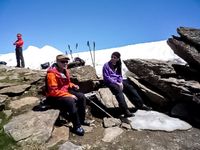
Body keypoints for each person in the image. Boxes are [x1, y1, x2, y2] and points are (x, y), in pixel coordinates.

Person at [45, 54, 90, 136]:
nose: (65, 63)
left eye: (66, 61)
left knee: (81, 96)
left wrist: (73, 85)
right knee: (70, 101)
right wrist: (68, 95)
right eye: (63, 62)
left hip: (63, 92)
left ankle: (82, 119)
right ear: (57, 62)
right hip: (53, 97)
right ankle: (77, 126)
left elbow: (67, 83)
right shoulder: (51, 74)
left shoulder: (64, 71)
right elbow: (53, 91)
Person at [102, 52, 151, 117]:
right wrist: (117, 83)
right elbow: (106, 77)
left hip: (118, 81)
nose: (112, 58)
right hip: (109, 82)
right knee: (118, 92)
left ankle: (140, 105)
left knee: (130, 88)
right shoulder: (106, 65)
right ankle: (125, 111)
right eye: (112, 57)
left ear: (118, 59)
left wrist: (120, 82)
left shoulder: (118, 64)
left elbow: (119, 75)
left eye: (114, 57)